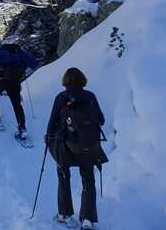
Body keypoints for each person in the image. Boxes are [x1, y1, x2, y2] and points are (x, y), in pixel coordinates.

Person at [45, 68, 108, 230]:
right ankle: (87, 219)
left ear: (65, 81)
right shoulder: (91, 96)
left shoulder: (61, 98)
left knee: (63, 175)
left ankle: (64, 215)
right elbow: (101, 120)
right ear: (82, 79)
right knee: (88, 178)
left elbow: (52, 124)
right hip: (88, 145)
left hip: (66, 146)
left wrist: (49, 139)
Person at [0, 36, 38, 138]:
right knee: (17, 105)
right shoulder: (20, 52)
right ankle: (22, 129)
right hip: (15, 81)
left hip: (1, 80)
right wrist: (23, 73)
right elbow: (34, 64)